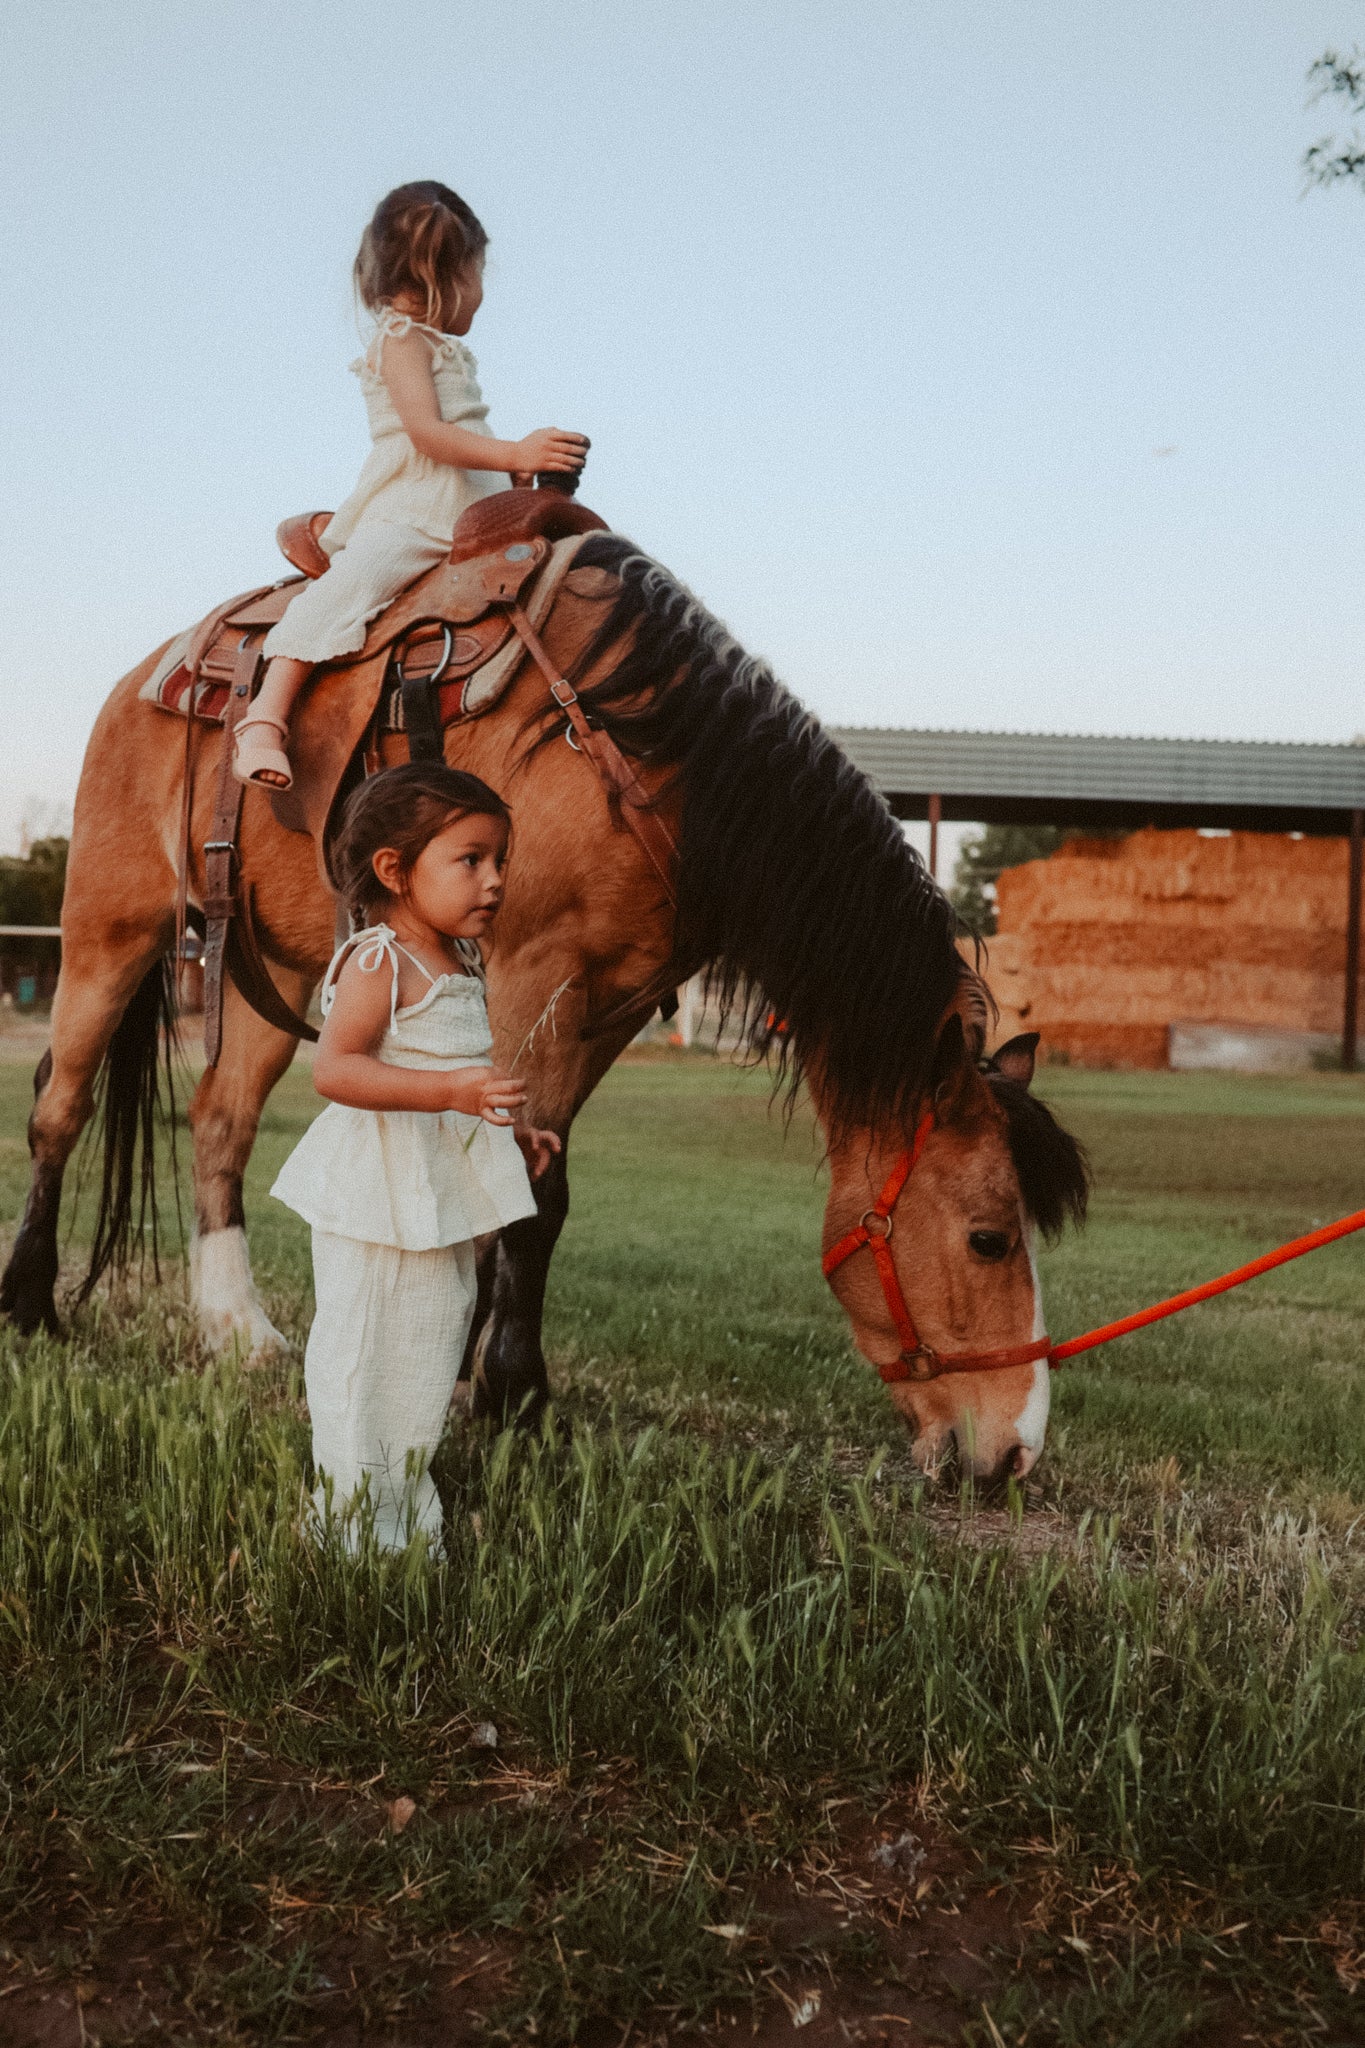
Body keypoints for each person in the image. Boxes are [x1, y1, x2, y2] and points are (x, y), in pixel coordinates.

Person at [271, 761, 561, 1552]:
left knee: (428, 1346)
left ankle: (401, 1499)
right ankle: (353, 1522)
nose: (493, 880)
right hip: (377, 1195)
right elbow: (337, 1070)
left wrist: (510, 1128)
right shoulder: (378, 960)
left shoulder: (459, 962)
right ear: (394, 871)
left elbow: (457, 1066)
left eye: (499, 860)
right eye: (470, 860)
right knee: (366, 1348)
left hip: (433, 1199)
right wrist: (452, 1096)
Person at [234, 180, 589, 789]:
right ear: (444, 278)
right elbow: (426, 432)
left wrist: (518, 471)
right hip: (415, 504)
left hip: (469, 502)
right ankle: (266, 716)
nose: (481, 293)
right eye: (478, 275)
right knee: (361, 579)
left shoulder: (445, 349)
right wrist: (513, 450)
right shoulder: (401, 340)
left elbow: (463, 433)